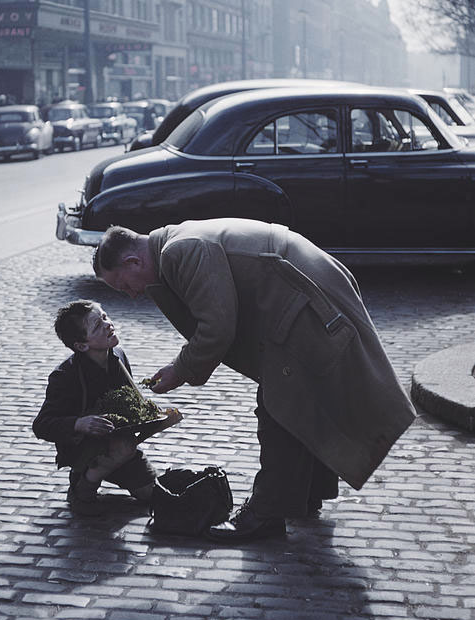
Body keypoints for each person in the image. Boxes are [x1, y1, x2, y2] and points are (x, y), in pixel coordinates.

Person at [93, 219, 416, 543]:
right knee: (302, 400)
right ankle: (305, 495)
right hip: (302, 297)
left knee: (279, 406)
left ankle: (265, 514)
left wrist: (181, 369)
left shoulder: (180, 250)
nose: (133, 295)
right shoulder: (177, 242)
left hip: (304, 304)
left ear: (133, 261)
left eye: (124, 285)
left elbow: (217, 327)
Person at [32, 300, 156, 515]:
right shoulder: (64, 376)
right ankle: (84, 482)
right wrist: (79, 424)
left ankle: (113, 467)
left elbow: (128, 401)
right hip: (83, 448)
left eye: (105, 317)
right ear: (82, 345)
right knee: (124, 446)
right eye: (98, 326)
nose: (108, 324)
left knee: (152, 495)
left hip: (121, 444)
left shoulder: (119, 356)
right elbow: (41, 425)